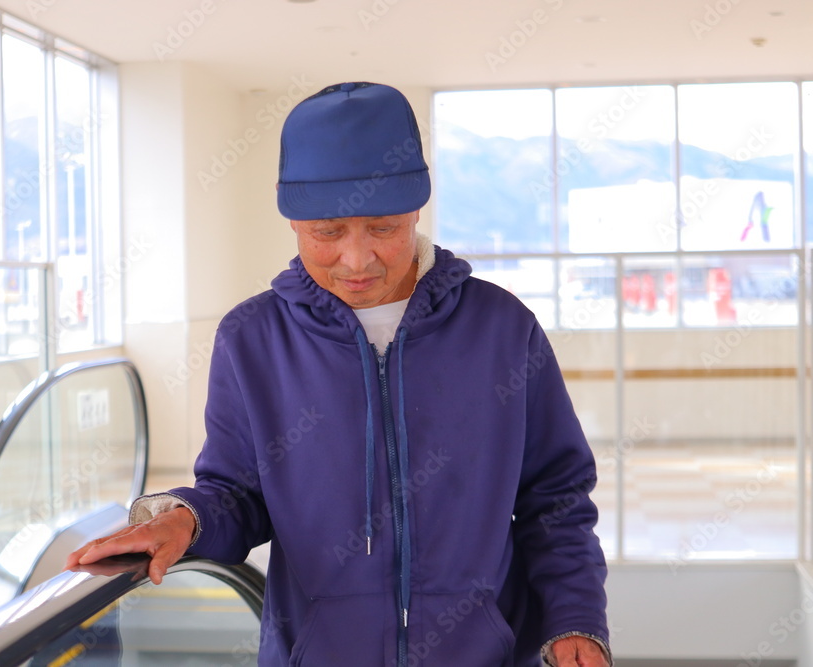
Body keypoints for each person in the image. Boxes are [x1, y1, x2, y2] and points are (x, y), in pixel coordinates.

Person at [67, 82, 611, 667]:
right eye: (327, 233)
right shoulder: (251, 338)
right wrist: (186, 519)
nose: (357, 259)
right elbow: (238, 495)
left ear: (417, 210)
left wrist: (575, 619)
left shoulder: (502, 327)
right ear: (293, 221)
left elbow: (555, 498)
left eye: (384, 228)